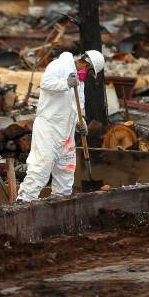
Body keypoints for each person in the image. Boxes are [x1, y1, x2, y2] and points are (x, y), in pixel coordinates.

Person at [17, 50, 105, 202]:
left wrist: (81, 123)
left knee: (66, 172)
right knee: (41, 168)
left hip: (67, 132)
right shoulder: (59, 65)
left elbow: (78, 107)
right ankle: (23, 202)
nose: (88, 76)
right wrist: (66, 83)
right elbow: (45, 83)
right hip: (49, 128)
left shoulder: (80, 82)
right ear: (85, 63)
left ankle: (59, 205)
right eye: (89, 72)